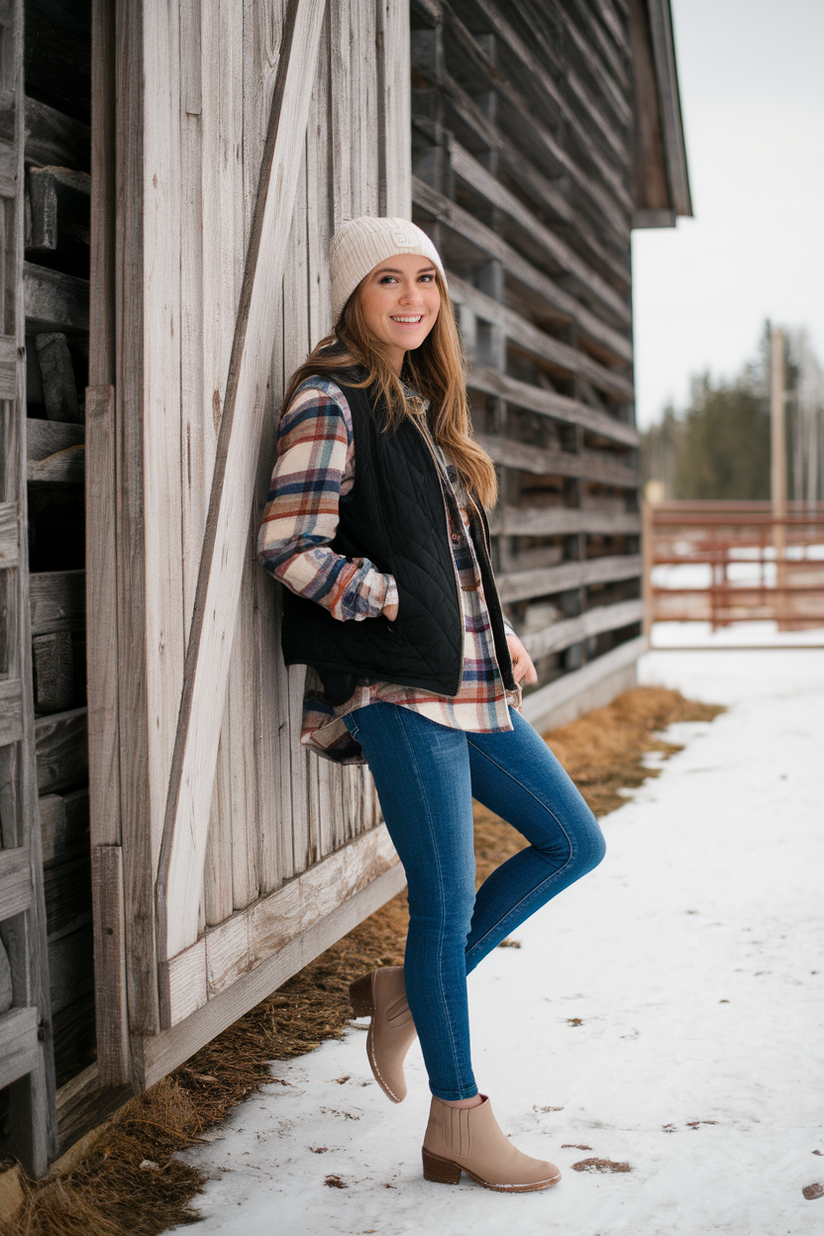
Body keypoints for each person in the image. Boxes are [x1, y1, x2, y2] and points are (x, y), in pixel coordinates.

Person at [257, 216, 605, 1193]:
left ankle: (405, 996)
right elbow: (290, 546)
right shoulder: (331, 399)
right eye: (386, 281)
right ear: (350, 296)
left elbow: (441, 553)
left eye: (425, 280)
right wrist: (396, 602)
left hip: (466, 682)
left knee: (572, 840)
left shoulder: (411, 402)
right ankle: (458, 1120)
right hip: (398, 689)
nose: (411, 297)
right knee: (445, 898)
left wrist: (490, 635)